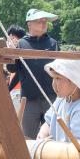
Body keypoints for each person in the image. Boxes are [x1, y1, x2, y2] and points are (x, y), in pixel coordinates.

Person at [13, 9, 59, 138]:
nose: (44, 24)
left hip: (51, 98)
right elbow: (12, 69)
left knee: (51, 138)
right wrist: (10, 52)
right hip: (29, 100)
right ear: (29, 24)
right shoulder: (21, 44)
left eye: (45, 21)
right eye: (39, 21)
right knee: (28, 138)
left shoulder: (53, 43)